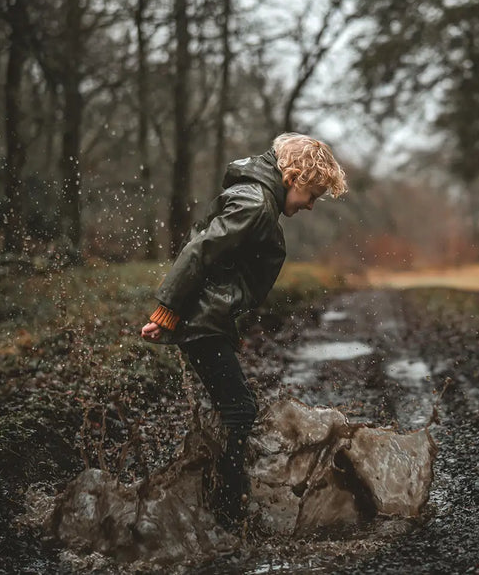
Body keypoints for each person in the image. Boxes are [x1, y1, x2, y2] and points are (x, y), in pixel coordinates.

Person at [139, 132, 349, 525]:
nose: (311, 206)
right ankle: (227, 509)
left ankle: (211, 495)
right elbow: (200, 251)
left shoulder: (259, 201)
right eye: (313, 196)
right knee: (241, 409)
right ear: (294, 178)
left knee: (232, 408)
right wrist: (167, 310)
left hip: (209, 318)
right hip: (202, 320)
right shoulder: (254, 204)